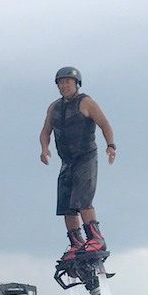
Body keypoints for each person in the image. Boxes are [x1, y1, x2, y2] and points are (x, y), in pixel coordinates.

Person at [39, 66, 116, 264]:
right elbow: (45, 131)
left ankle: (96, 239)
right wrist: (44, 149)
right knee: (66, 206)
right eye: (61, 82)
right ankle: (76, 242)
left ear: (76, 83)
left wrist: (111, 145)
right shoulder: (54, 108)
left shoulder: (86, 102)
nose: (64, 85)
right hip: (67, 161)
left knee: (82, 200)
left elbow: (104, 124)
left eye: (68, 82)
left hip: (85, 158)